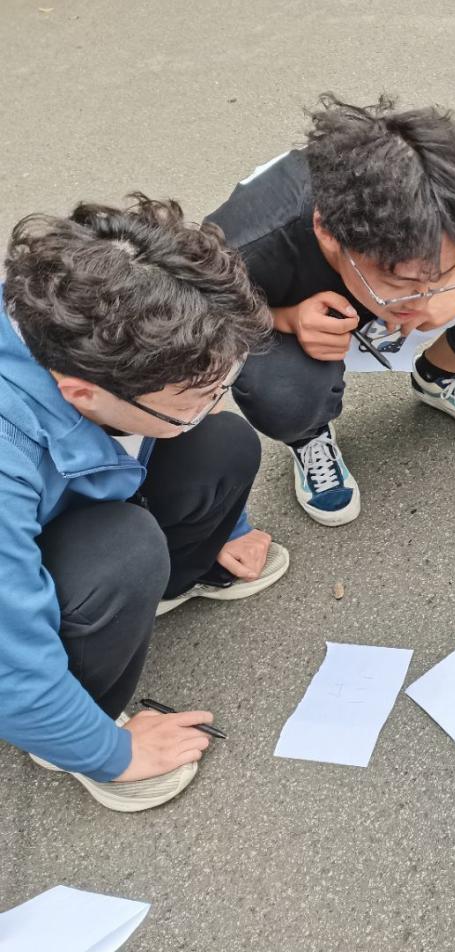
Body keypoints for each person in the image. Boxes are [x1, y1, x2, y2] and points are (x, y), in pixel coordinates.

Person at [0, 195, 288, 812]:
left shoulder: (92, 316)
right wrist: (111, 752)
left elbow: (153, 422)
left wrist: (225, 525)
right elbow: (7, 658)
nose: (214, 400)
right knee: (125, 549)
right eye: (193, 398)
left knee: (222, 442)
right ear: (82, 393)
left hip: (63, 488)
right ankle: (71, 728)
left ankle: (166, 585)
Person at [206, 94, 455, 527]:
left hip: (363, 284)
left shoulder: (448, 196)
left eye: (440, 271)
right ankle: (309, 436)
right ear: (327, 232)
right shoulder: (245, 244)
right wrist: (286, 319)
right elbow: (200, 314)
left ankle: (438, 377)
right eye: (400, 282)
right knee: (281, 393)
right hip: (295, 311)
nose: (423, 299)